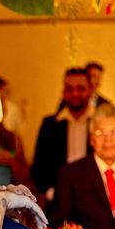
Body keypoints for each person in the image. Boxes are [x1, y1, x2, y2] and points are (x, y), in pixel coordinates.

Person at [32, 67, 94, 201]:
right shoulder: (50, 125)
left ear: (90, 91)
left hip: (94, 198)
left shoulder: (100, 123)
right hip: (58, 198)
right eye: (70, 89)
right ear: (64, 93)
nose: (75, 94)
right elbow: (38, 165)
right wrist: (49, 192)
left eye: (80, 88)